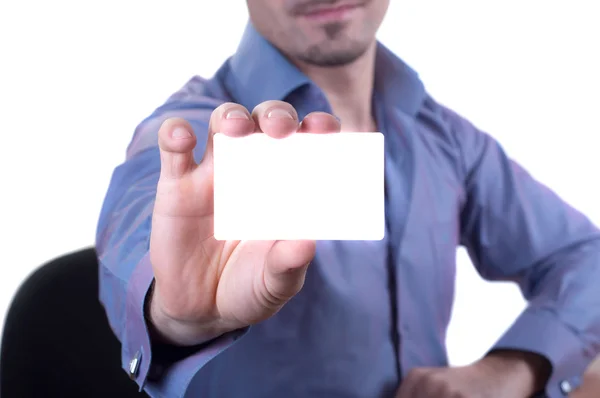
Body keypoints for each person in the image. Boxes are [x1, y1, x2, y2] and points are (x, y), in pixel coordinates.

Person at [96, 1, 600, 397]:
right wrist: (175, 314)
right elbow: (142, 227)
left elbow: (585, 257)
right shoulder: (192, 135)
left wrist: (514, 367)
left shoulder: (444, 137)